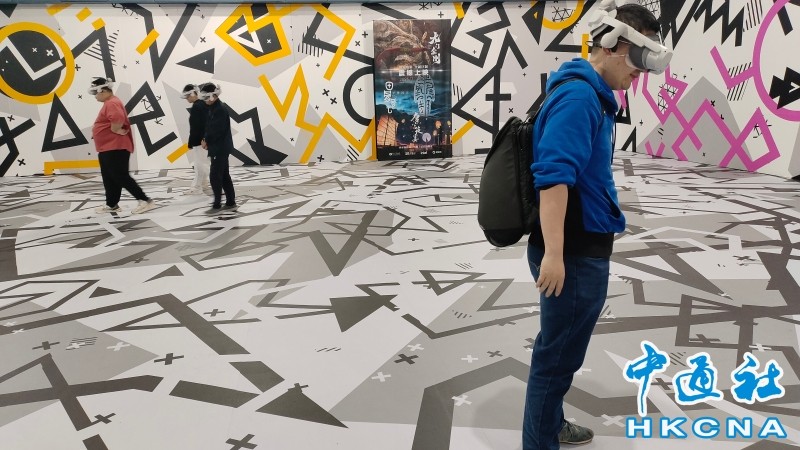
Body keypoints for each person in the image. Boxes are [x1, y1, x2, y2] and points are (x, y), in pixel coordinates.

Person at [522, 2, 671, 449]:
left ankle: (549, 423)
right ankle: (540, 441)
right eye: (637, 63)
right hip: (572, 253)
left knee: (562, 350)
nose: (638, 76)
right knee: (557, 358)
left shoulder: (590, 94)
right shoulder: (580, 98)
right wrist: (554, 255)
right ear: (613, 46)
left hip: (579, 247)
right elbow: (553, 178)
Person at [90, 77, 156, 215]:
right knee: (109, 177)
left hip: (115, 147)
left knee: (120, 176)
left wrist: (115, 130)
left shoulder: (112, 103)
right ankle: (112, 204)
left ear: (102, 90)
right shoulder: (110, 102)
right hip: (108, 147)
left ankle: (145, 200)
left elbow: (117, 119)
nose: (95, 96)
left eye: (95, 93)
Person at [199, 82, 236, 211]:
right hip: (220, 147)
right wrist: (205, 139)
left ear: (212, 96)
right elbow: (210, 127)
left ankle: (217, 203)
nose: (205, 100)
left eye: (206, 98)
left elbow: (216, 130)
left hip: (220, 148)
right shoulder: (215, 107)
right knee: (224, 175)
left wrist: (206, 141)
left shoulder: (219, 109)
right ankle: (230, 201)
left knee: (215, 176)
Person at [180, 84, 211, 195]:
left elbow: (196, 127)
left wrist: (191, 142)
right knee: (203, 163)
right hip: (204, 140)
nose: (187, 99)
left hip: (200, 141)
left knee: (199, 165)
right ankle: (203, 184)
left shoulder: (197, 107)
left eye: (188, 96)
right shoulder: (203, 105)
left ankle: (197, 188)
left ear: (193, 94)